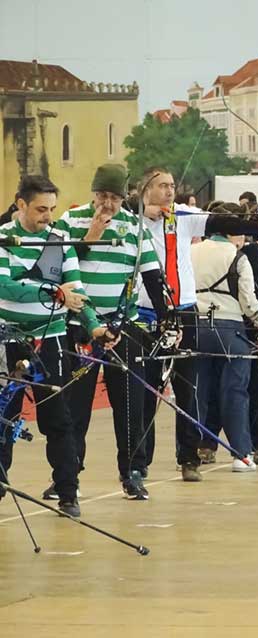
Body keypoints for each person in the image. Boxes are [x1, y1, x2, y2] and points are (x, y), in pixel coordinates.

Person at [136, 166, 258, 481]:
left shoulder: (183, 216)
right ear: (145, 190)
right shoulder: (131, 221)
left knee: (190, 390)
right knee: (146, 391)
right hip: (148, 313)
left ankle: (189, 457)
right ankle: (139, 461)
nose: (168, 190)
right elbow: (114, 210)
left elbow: (223, 220)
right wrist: (139, 208)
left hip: (187, 313)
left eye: (171, 184)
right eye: (161, 185)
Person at [0, 176, 117, 518]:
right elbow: (6, 285)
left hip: (48, 338)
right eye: (40, 209)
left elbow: (76, 288)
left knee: (59, 419)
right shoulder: (5, 238)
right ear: (20, 204)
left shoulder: (60, 240)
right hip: (8, 341)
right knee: (5, 416)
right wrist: (53, 294)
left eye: (52, 209)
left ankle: (67, 492)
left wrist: (96, 328)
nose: (47, 216)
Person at [53, 164, 170, 500]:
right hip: (79, 325)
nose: (107, 203)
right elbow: (58, 266)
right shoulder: (70, 220)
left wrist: (166, 317)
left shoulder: (135, 227)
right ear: (93, 194)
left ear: (124, 197)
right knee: (75, 404)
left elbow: (151, 277)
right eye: (102, 195)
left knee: (129, 403)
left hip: (124, 325)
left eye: (114, 197)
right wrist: (89, 238)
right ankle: (68, 473)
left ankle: (132, 471)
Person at [191, 211, 258, 471]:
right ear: (231, 232)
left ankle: (190, 453)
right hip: (230, 328)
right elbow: (249, 304)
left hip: (194, 328)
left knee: (196, 392)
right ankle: (242, 455)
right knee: (234, 392)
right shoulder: (238, 257)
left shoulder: (191, 251)